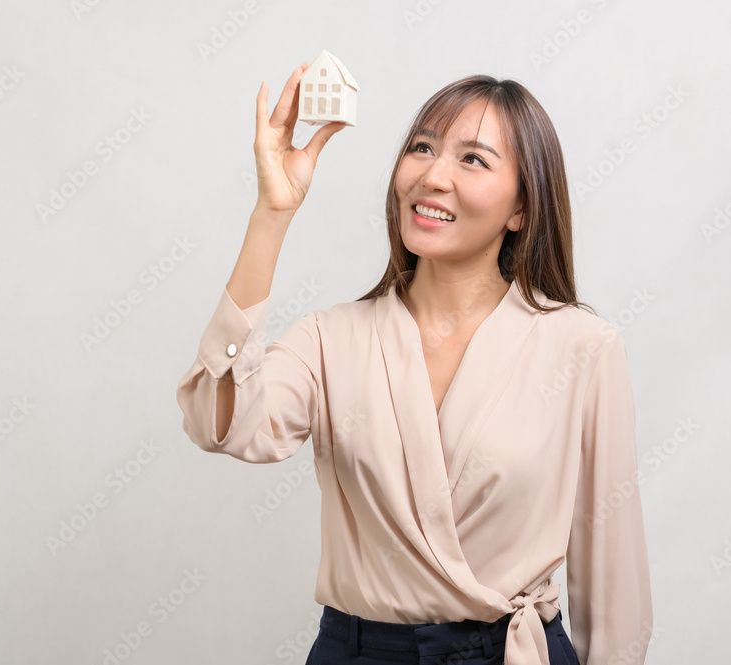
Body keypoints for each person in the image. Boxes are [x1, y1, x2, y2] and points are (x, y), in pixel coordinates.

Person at [176, 62, 653, 665]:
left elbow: (614, 581)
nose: (432, 176)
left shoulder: (582, 347)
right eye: (422, 148)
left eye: (472, 160)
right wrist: (272, 213)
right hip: (361, 651)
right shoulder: (331, 338)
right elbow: (222, 424)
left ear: (522, 210)